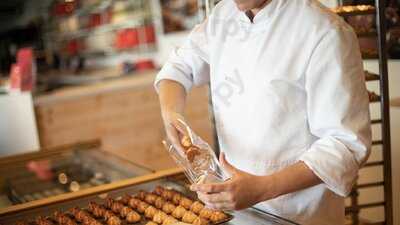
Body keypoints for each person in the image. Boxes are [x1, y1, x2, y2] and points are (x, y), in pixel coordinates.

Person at [154, 0, 372, 224]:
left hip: (300, 214)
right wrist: (172, 115)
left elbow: (345, 144)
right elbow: (179, 67)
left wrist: (263, 188)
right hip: (236, 211)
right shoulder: (224, 15)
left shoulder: (324, 31)